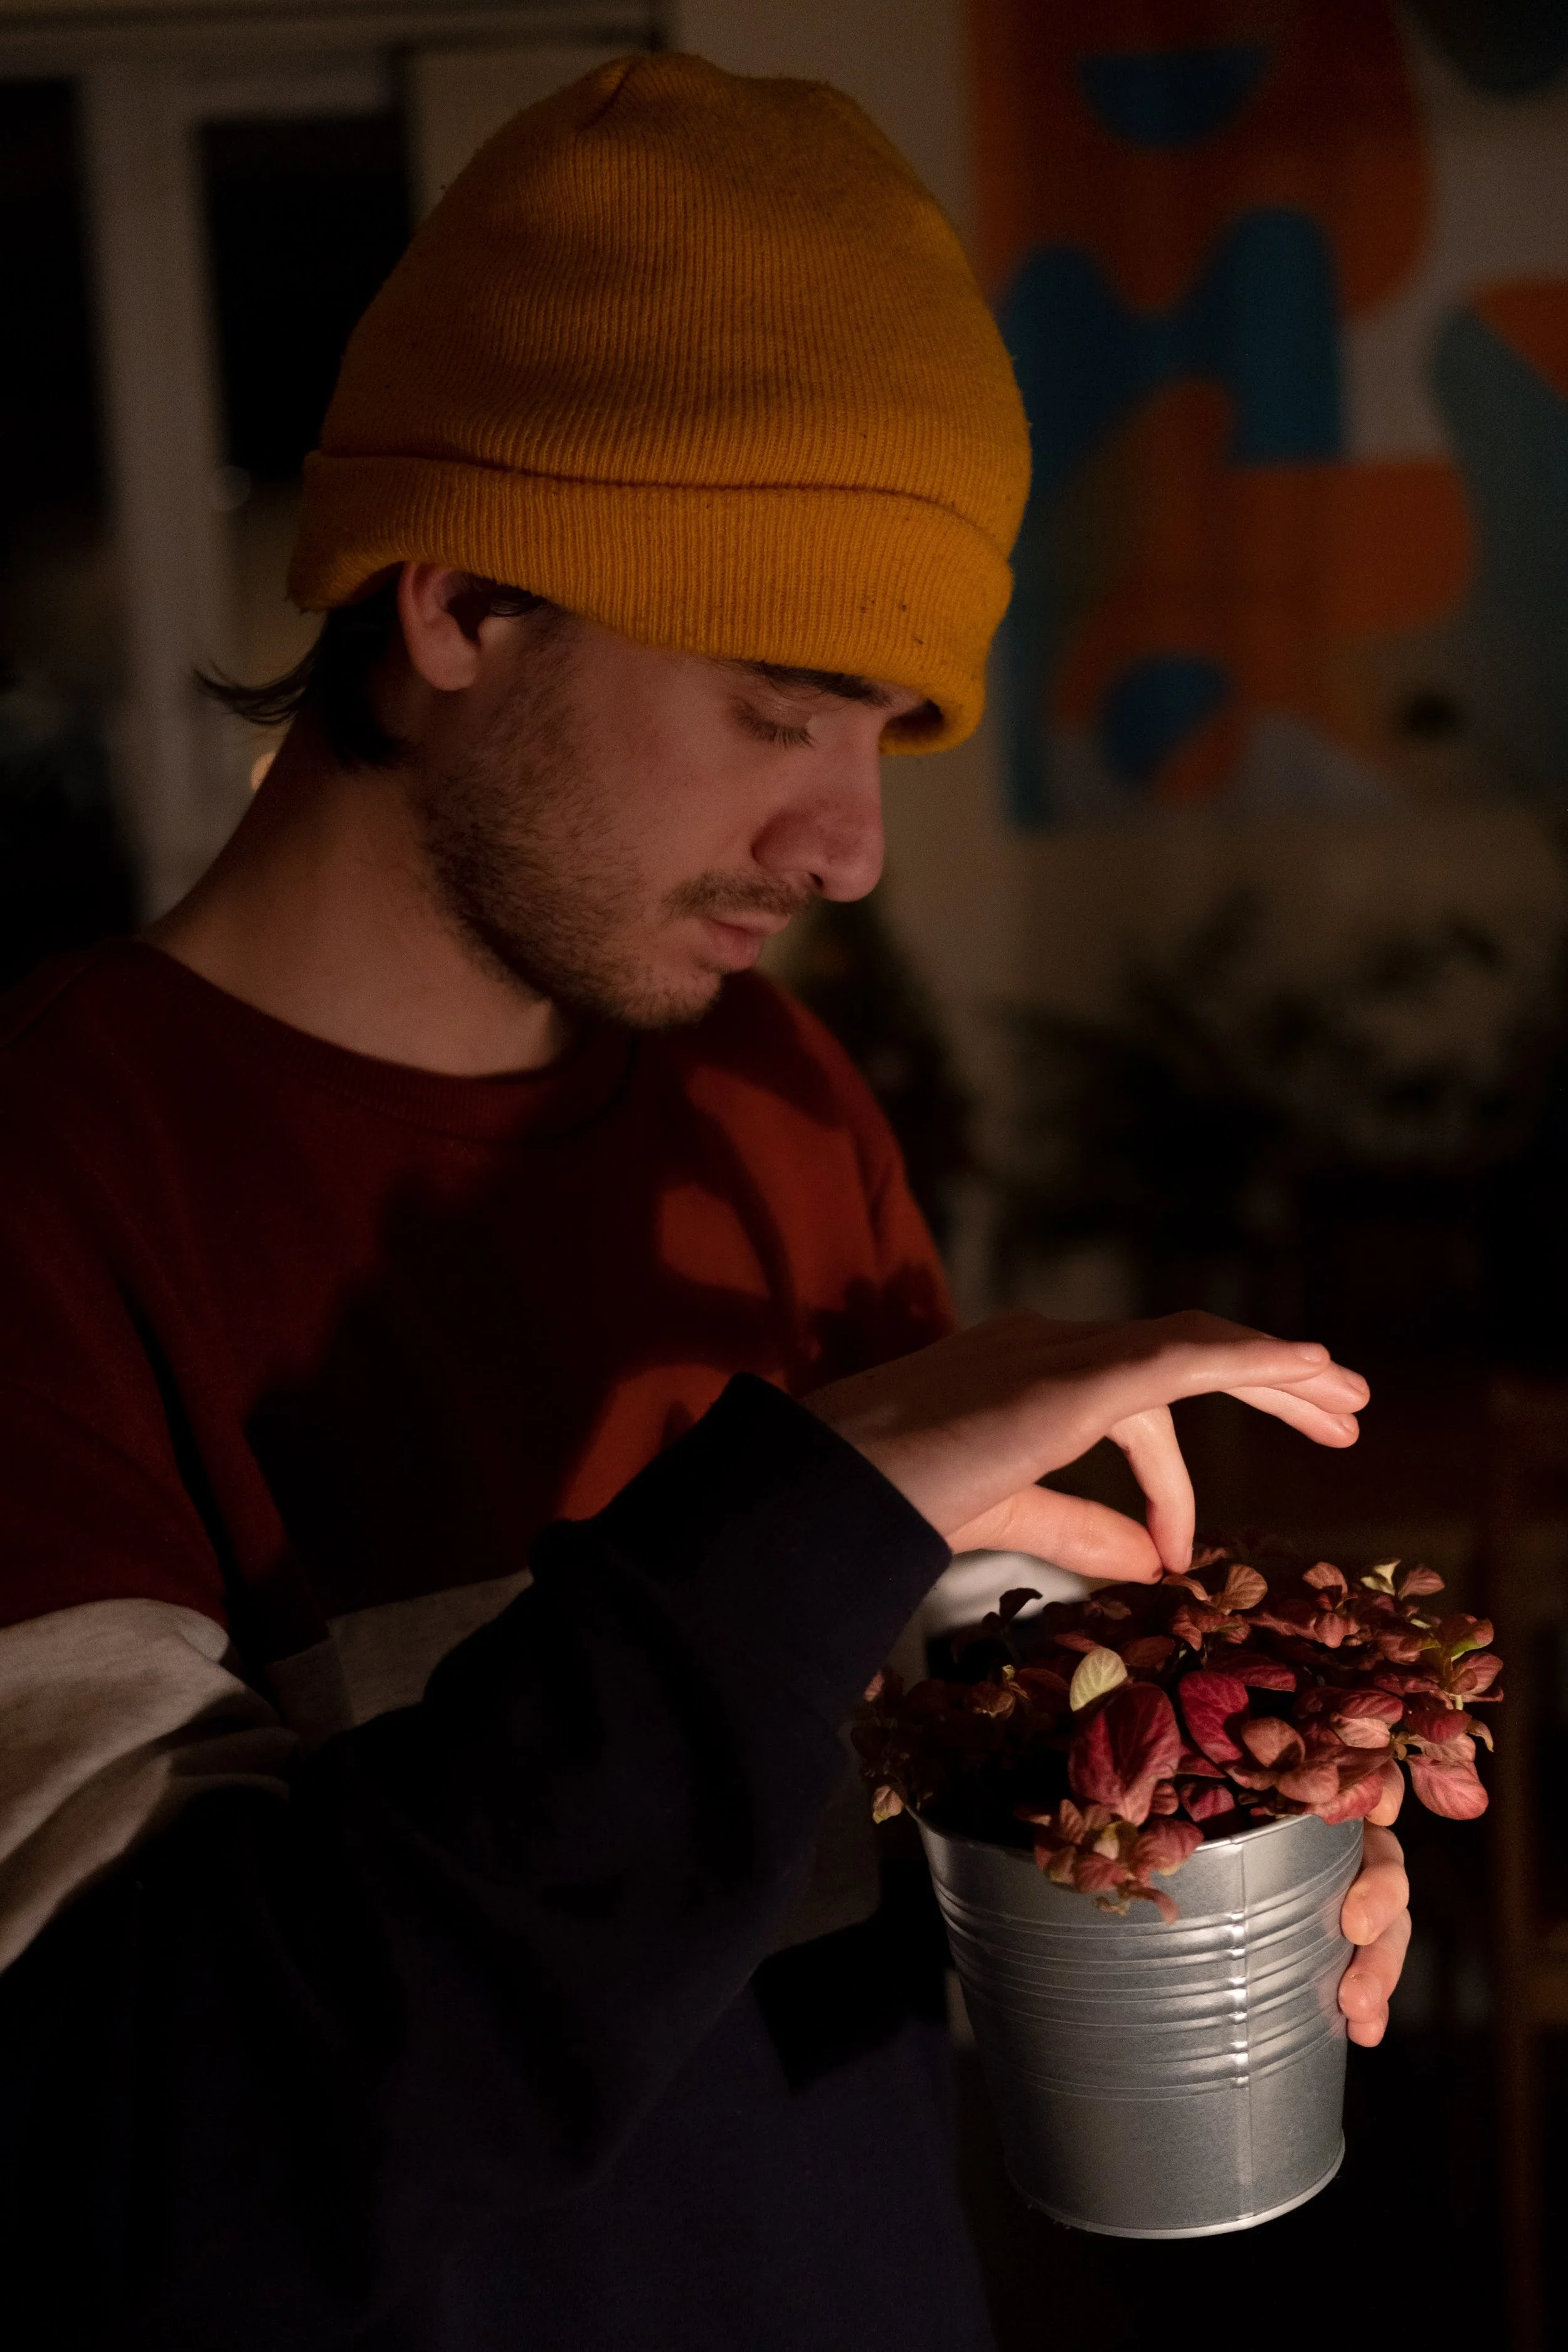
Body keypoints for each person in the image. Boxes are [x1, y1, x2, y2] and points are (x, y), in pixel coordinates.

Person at [0, 54, 1407, 2352]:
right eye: (782, 708)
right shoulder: (54, 1192)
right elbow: (147, 2150)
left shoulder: (768, 1095)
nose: (847, 848)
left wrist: (1201, 1815)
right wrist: (809, 1507)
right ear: (463, 602)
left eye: (889, 731)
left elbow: (897, 1780)